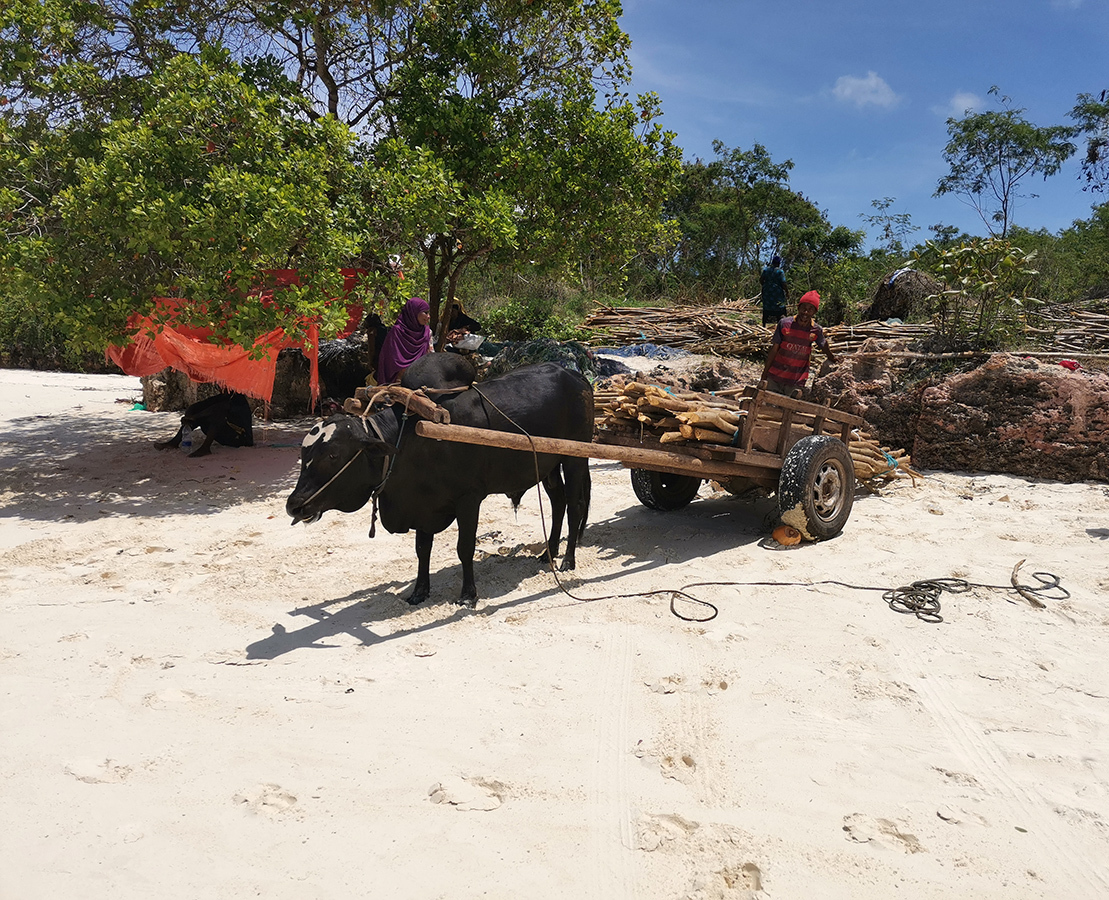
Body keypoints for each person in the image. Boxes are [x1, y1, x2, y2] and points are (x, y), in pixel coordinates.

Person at [760, 290, 837, 397]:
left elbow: (823, 344)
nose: (806, 312)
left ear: (814, 312)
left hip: (796, 380)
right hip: (775, 377)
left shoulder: (816, 330)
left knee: (788, 409)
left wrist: (832, 358)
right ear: (798, 307)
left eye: (810, 309)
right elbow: (774, 350)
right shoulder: (784, 324)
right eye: (803, 308)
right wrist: (764, 374)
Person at [376, 297, 432, 384]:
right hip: (397, 381)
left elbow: (430, 356)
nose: (428, 317)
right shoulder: (397, 332)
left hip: (420, 378)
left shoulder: (427, 332)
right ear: (413, 312)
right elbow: (390, 360)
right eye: (425, 313)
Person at [759, 255, 788, 326]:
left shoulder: (766, 270)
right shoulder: (780, 272)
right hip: (777, 293)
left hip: (767, 292)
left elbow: (761, 280)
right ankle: (780, 325)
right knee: (780, 309)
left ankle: (763, 325)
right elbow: (783, 283)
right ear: (779, 263)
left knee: (766, 309)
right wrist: (787, 291)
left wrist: (766, 286)